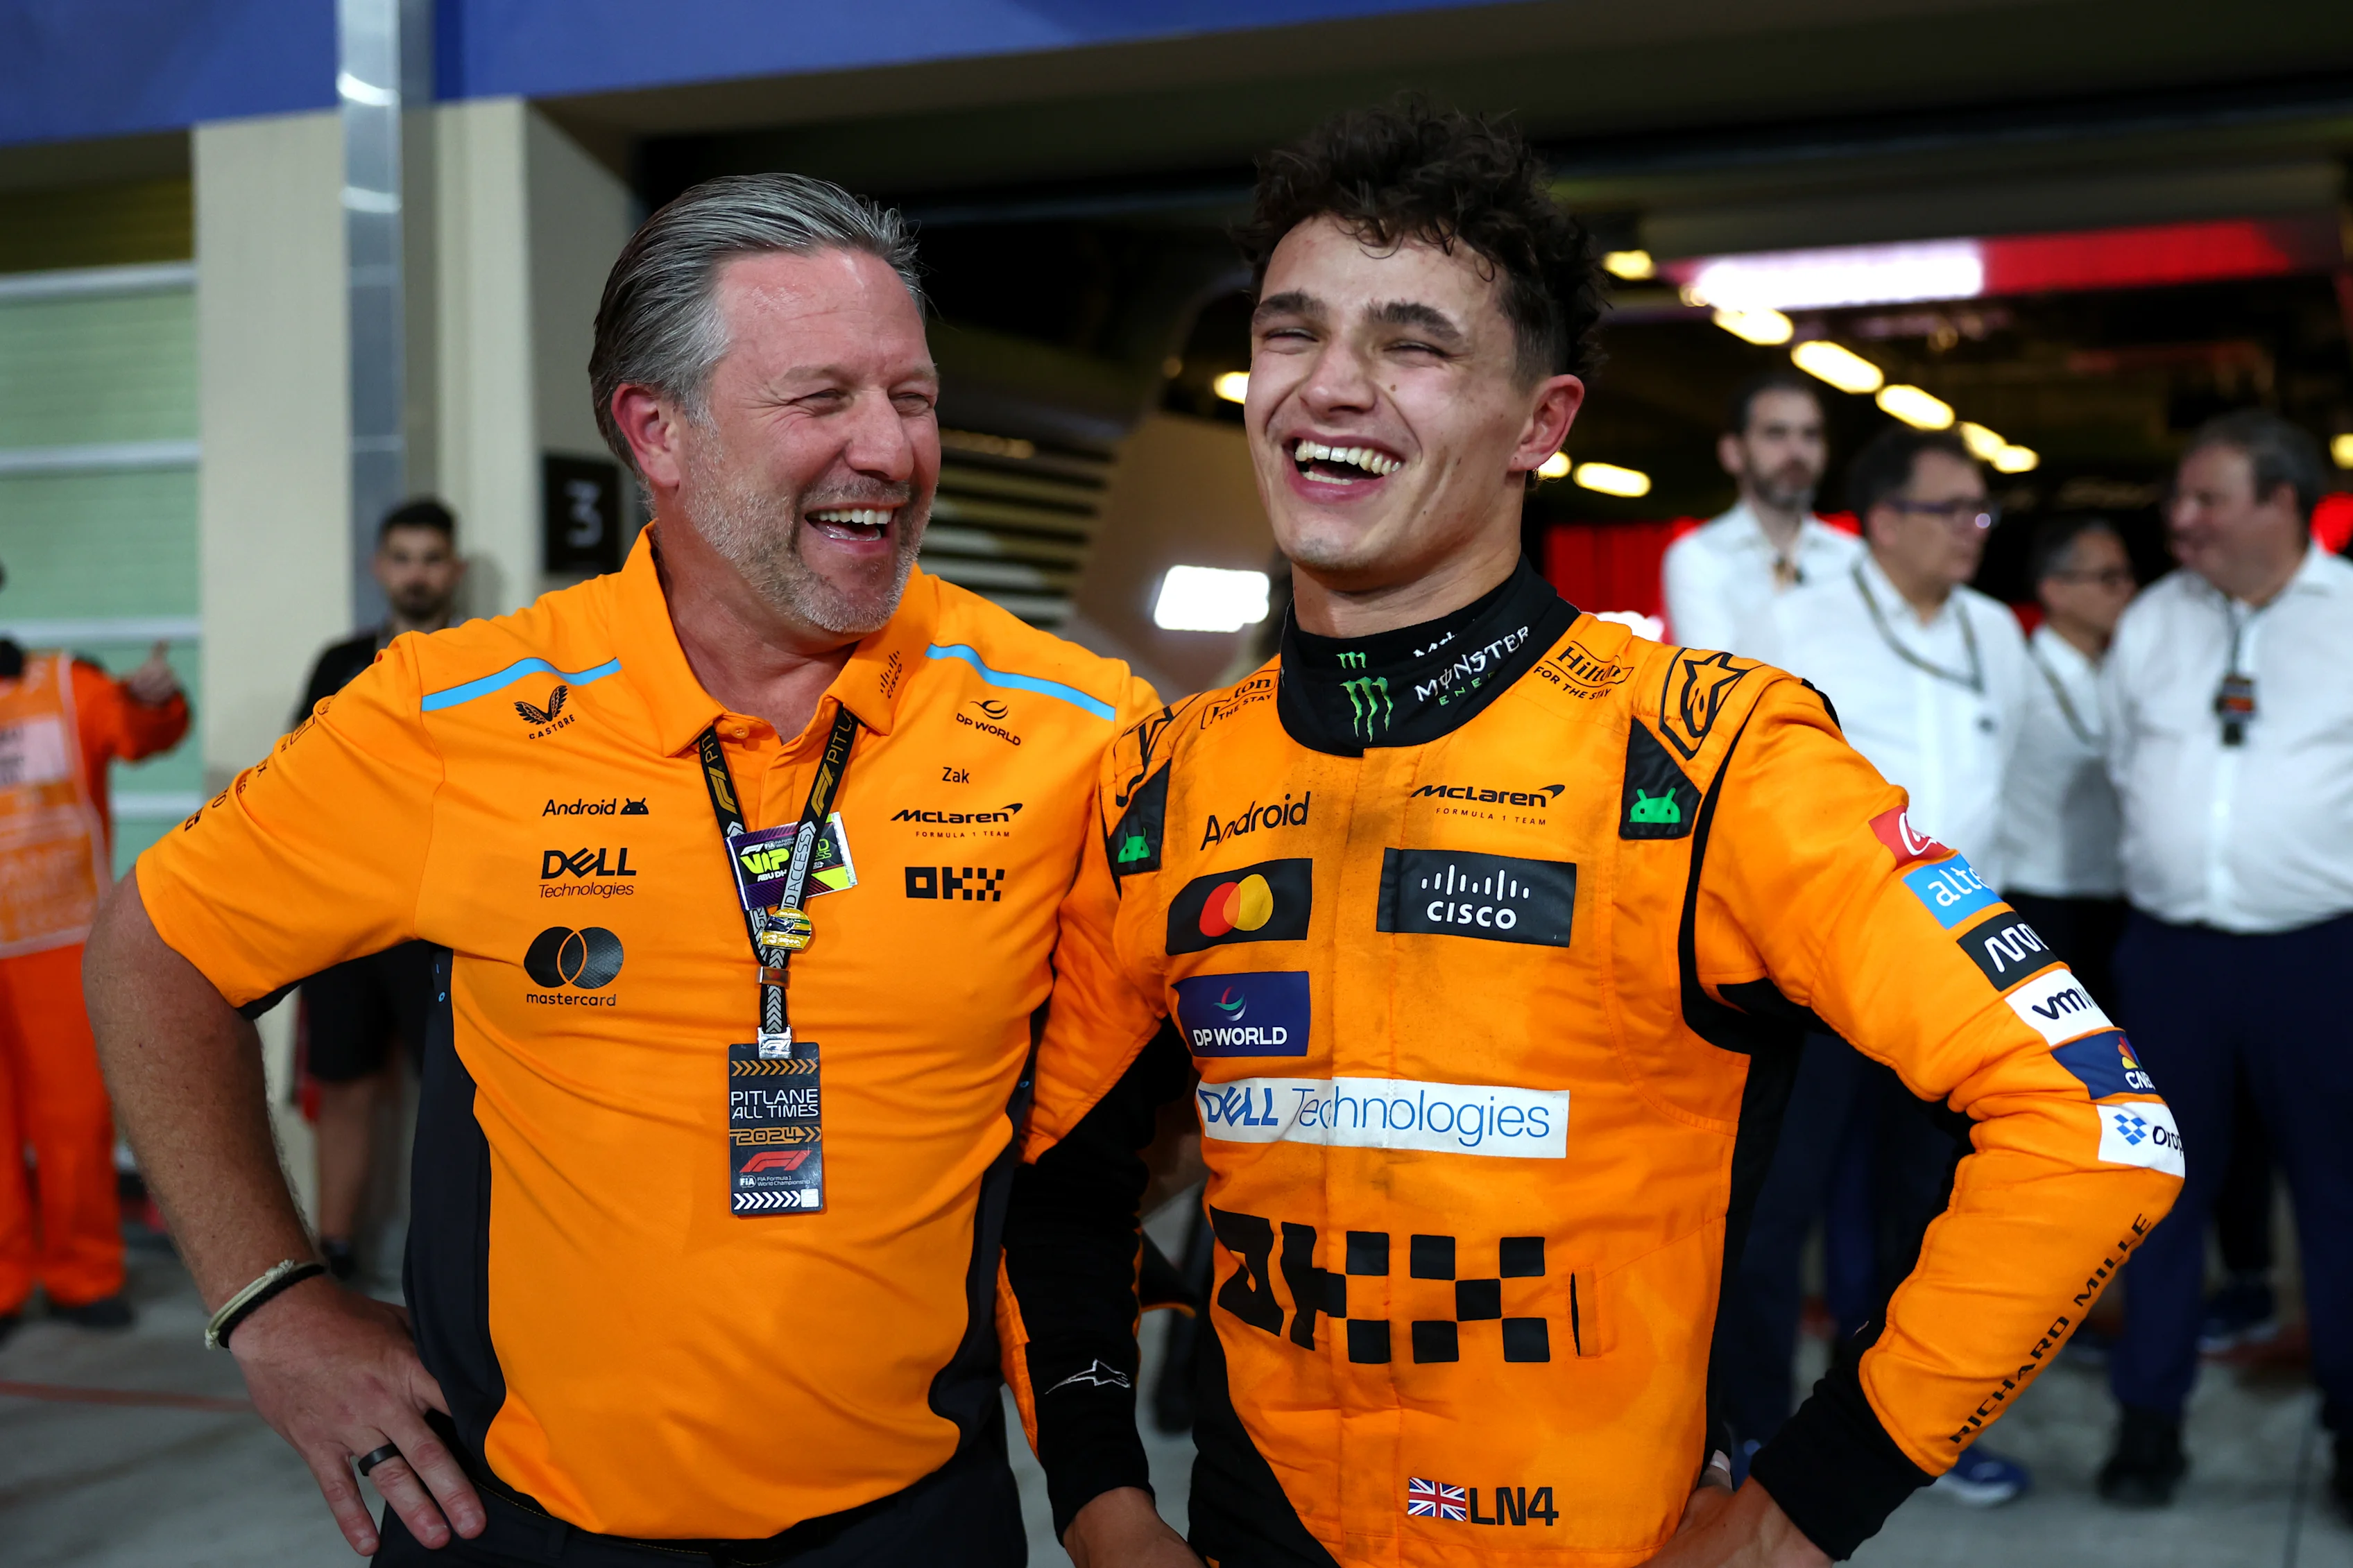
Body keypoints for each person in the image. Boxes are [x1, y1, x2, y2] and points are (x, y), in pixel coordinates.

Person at [999, 102, 2180, 1568]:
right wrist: (1104, 1496)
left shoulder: (1711, 750)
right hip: (1252, 1526)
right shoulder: (1161, 778)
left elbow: (2095, 1123)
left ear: (1541, 424)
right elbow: (1062, 1181)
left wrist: (1793, 1510)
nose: (1330, 388)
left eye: (1414, 346)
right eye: (1291, 333)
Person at [84, 173, 1154, 1564]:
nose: (889, 450)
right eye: (820, 398)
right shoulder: (453, 713)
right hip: (521, 1522)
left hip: (917, 1521)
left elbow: (1152, 1103)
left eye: (914, 397)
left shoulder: (1075, 728)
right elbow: (155, 948)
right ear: (657, 429)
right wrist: (273, 1296)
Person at [1722, 427, 2038, 1507]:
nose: (1975, 531)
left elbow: (2014, 784)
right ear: (1887, 519)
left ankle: (1907, 1440)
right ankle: (1754, 1435)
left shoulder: (1998, 632)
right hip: (1812, 970)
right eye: (1955, 509)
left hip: (1954, 967)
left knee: (1932, 1213)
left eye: (1983, 512)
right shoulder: (1792, 626)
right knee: (1774, 1212)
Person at [2096, 411, 2353, 1508]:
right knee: (2152, 1197)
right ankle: (2149, 1421)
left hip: (2320, 956)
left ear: (2283, 503)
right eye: (2180, 500)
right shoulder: (2155, 618)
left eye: (2208, 500)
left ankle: (2352, 1429)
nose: (2181, 520)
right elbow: (2121, 759)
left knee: (2338, 1200)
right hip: (2169, 959)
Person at [0, 610, 187, 1342]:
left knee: (76, 1118)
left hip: (60, 938)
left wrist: (152, 698)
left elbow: (141, 734)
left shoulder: (64, 683)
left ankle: (85, 1273)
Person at [294, 497, 465, 1283]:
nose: (417, 572)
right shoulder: (339, 663)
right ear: (379, 567)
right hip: (345, 918)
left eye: (432, 557)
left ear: (453, 570)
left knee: (454, 1101)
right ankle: (334, 1251)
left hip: (443, 916)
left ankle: (455, 1255)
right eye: (403, 556)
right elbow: (301, 776)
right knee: (346, 1086)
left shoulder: (487, 657)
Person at [1995, 515, 2135, 1007]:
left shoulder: (2127, 671)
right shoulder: (2015, 673)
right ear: (2055, 590)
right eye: (2108, 577)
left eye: (2126, 576)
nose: (2126, 591)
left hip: (2120, 898)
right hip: (2037, 899)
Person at [1661, 370, 1860, 653]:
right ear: (1733, 453)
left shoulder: (1854, 558)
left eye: (1810, 435)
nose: (1797, 451)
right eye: (1776, 434)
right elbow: (1718, 681)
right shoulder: (1698, 558)